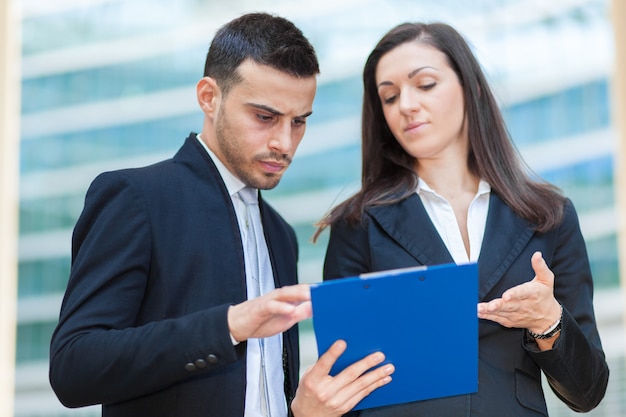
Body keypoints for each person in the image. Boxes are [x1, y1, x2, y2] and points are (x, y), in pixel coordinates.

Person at [49, 12, 393, 417]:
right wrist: (230, 325)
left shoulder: (281, 235)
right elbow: (74, 367)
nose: (284, 142)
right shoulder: (135, 197)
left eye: (298, 122)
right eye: (265, 117)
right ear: (209, 97)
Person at [315, 22, 609, 416]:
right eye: (389, 96)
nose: (405, 105)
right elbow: (342, 384)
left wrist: (547, 319)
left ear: (469, 87)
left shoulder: (548, 216)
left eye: (425, 84)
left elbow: (586, 392)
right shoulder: (358, 224)